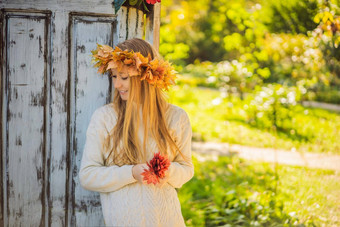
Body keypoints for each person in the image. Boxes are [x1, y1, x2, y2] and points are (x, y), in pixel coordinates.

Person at [79, 38, 194, 227]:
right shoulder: (105, 118)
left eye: (124, 77)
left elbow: (186, 168)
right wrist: (131, 173)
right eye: (114, 76)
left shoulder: (176, 117)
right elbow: (88, 176)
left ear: (146, 77)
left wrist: (168, 172)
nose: (117, 84)